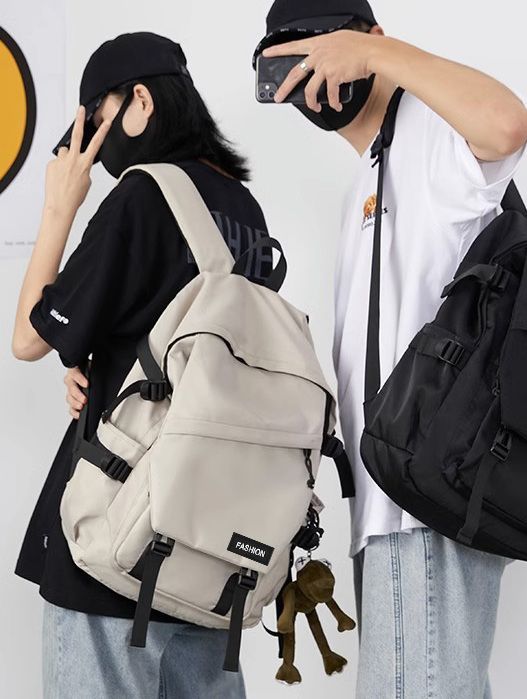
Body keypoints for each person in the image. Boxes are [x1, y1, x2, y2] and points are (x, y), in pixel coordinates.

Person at [254, 2, 527, 697]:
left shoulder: (431, 138)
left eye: (318, 51)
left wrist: (380, 54)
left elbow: (508, 123)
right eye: (290, 65)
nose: (311, 77)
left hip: (419, 503)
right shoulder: (371, 175)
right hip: (393, 505)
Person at [12, 32, 271, 698]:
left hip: (115, 529)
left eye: (97, 122)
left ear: (141, 102)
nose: (95, 152)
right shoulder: (245, 211)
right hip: (209, 543)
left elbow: (29, 338)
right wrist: (103, 364)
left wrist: (59, 206)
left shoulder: (142, 195)